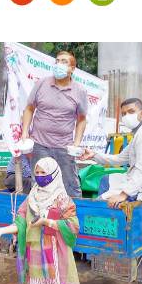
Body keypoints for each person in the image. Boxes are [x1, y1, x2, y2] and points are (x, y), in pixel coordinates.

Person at [0, 158, 83, 284]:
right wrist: (0, 231)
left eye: (43, 172)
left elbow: (73, 225)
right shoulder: (31, 197)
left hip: (56, 256)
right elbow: (20, 223)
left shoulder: (62, 199)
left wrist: (46, 222)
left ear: (54, 174)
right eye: (37, 173)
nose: (39, 176)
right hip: (35, 256)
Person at [21, 50, 87, 198]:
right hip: (39, 144)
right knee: (39, 182)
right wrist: (25, 132)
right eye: (57, 61)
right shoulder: (42, 83)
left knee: (70, 184)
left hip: (64, 147)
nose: (59, 64)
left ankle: (74, 217)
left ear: (72, 69)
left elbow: (82, 119)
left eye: (64, 62)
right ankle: (38, 217)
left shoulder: (79, 90)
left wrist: (76, 144)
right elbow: (29, 108)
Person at [82, 98, 142, 207]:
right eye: (124, 114)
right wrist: (94, 155)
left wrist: (124, 194)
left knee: (101, 204)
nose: (127, 116)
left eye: (131, 112)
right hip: (136, 186)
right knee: (104, 188)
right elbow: (120, 159)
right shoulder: (138, 134)